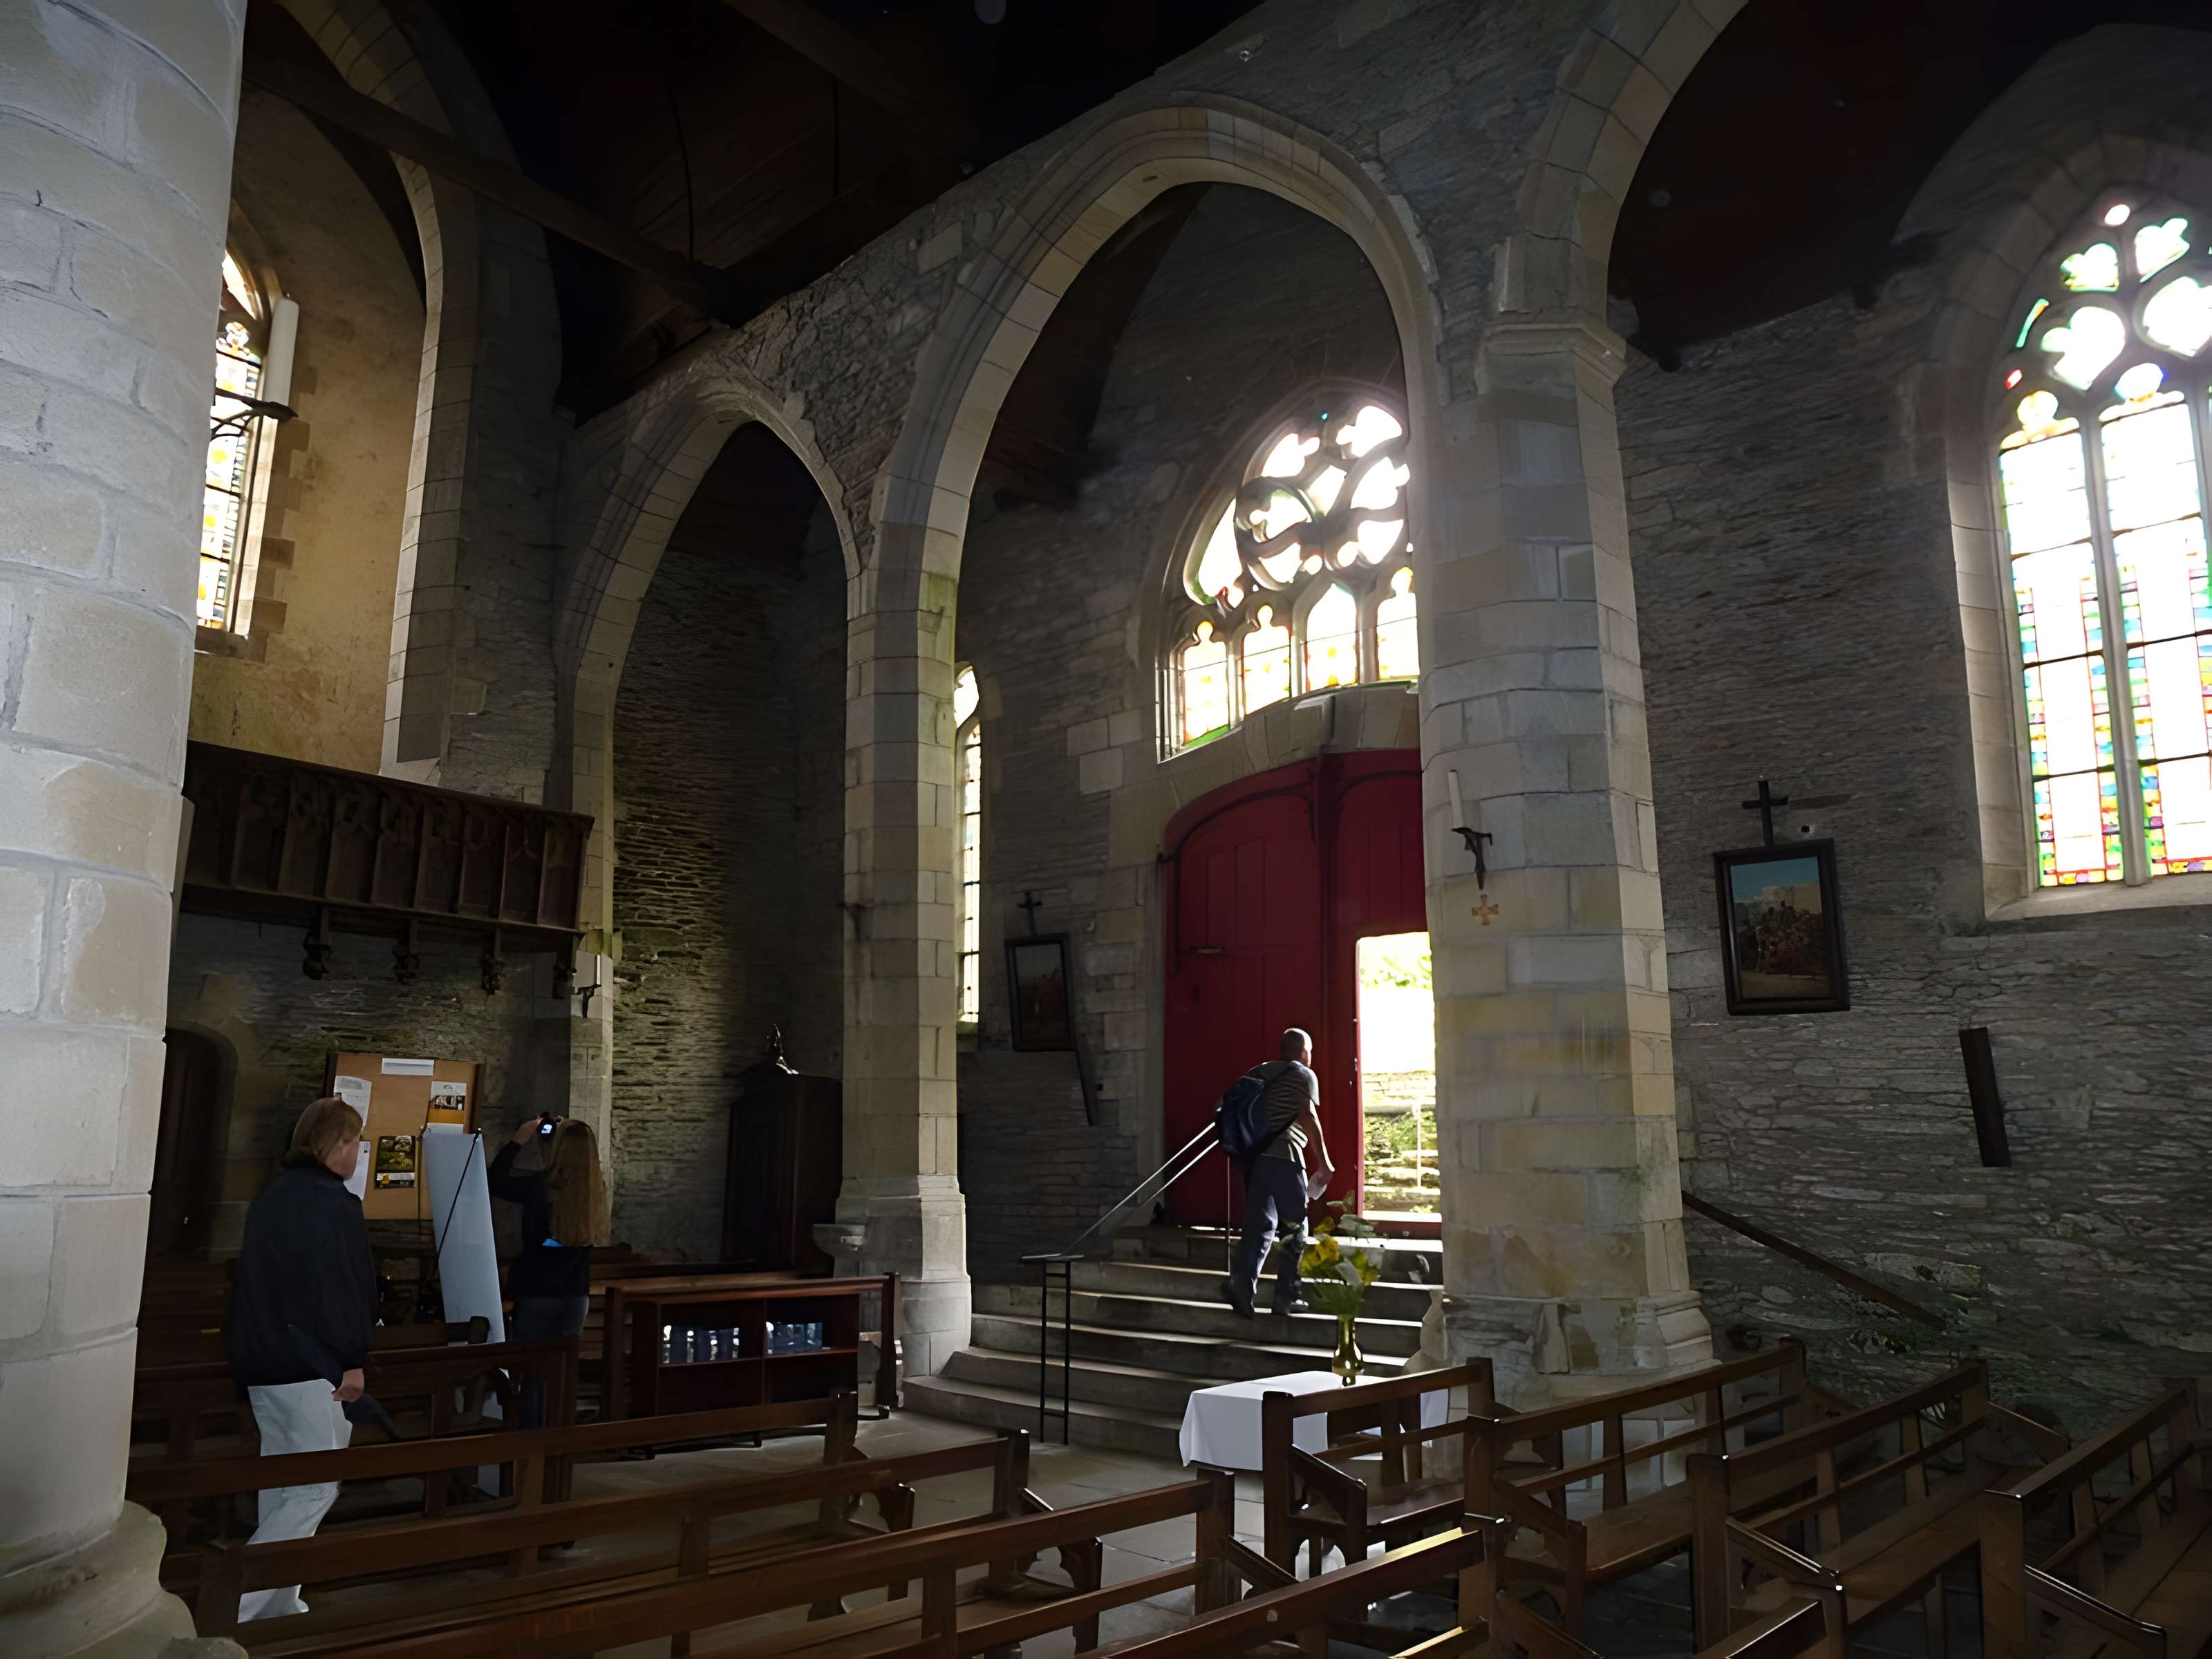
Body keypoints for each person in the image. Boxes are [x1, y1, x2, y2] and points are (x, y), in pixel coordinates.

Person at [226, 1095, 375, 1622]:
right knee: (316, 1484)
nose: (360, 1152)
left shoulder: (273, 1195)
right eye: (356, 1141)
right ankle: (235, 1602)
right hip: (313, 1365)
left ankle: (279, 1600)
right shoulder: (332, 1203)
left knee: (285, 1479)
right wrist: (353, 1359)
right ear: (335, 1145)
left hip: (264, 1360)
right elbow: (341, 1290)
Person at [489, 1114, 610, 1425]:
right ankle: (559, 1439)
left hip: (537, 1291)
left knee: (532, 1374)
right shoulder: (595, 1190)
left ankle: (531, 1447)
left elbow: (495, 1180)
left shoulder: (540, 1187)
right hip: (575, 1294)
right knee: (561, 1373)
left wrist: (520, 1136)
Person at [1219, 1027, 1335, 1319]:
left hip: (1256, 1161)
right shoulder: (1303, 1075)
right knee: (1296, 1227)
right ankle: (1287, 1296)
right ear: (1304, 1051)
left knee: (1260, 1227)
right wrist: (1324, 1162)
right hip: (1286, 1157)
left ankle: (1242, 1287)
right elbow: (1307, 1116)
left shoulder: (1262, 1071)